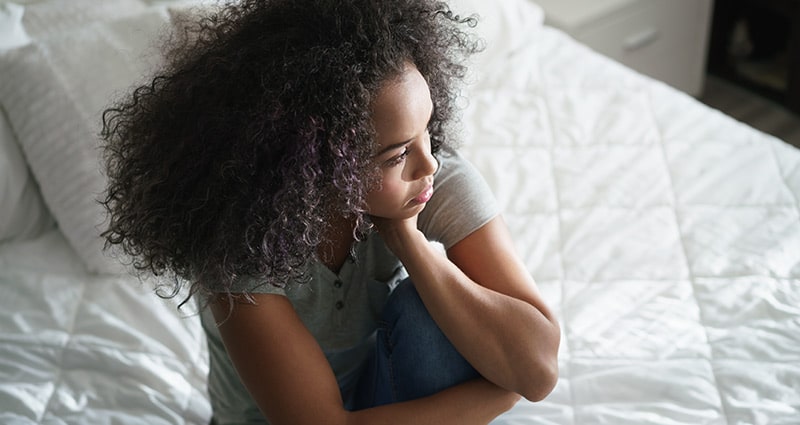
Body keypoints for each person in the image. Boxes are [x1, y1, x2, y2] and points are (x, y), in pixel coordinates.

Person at [100, 0, 560, 423]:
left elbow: (539, 368)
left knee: (433, 309)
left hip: (378, 390)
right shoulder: (237, 243)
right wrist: (503, 390)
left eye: (427, 131)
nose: (430, 163)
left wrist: (407, 239)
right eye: (397, 155)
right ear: (317, 162)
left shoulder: (428, 179)